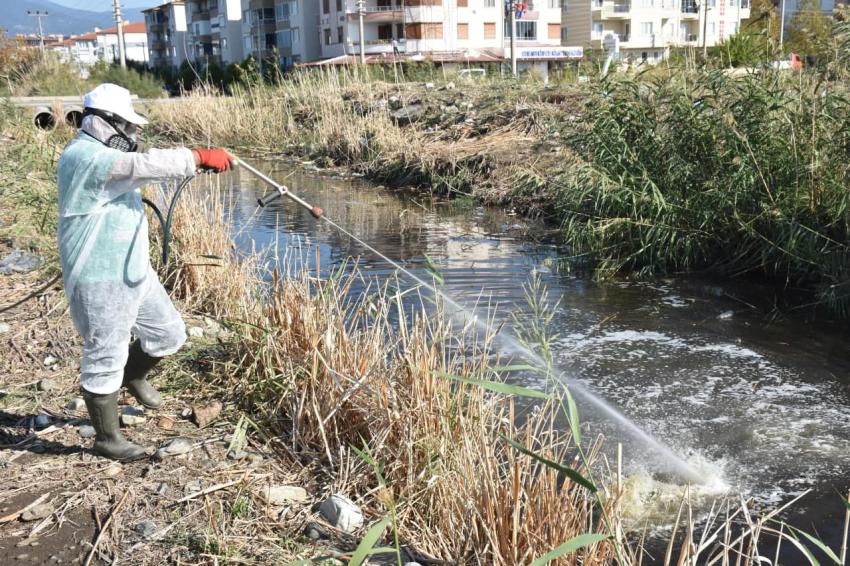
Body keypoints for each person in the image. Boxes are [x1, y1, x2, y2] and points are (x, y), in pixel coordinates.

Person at [57, 83, 233, 462]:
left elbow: (137, 171)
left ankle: (133, 376)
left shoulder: (101, 153)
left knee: (168, 333)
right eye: (127, 126)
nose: (132, 135)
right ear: (103, 122)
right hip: (99, 276)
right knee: (105, 353)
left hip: (133, 269)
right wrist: (197, 156)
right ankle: (107, 438)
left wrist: (195, 163)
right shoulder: (85, 157)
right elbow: (142, 165)